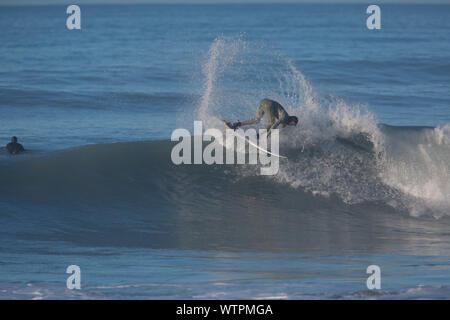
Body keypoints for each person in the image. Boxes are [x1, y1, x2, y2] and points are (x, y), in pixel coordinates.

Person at [230, 99, 298, 137]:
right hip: (269, 104)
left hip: (264, 101)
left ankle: (237, 124)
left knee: (257, 120)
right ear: (291, 120)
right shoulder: (284, 117)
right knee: (272, 122)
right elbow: (274, 125)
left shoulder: (284, 123)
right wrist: (267, 136)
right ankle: (258, 135)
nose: (292, 125)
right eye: (293, 123)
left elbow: (278, 129)